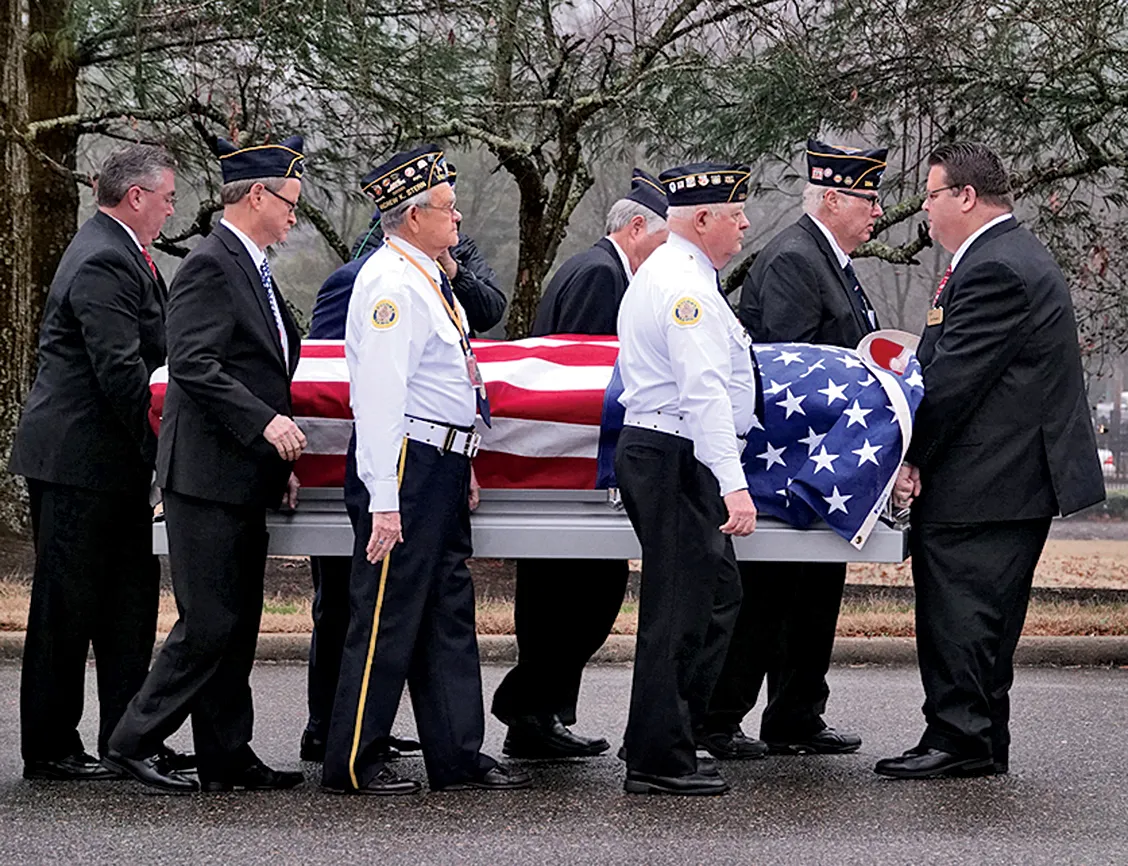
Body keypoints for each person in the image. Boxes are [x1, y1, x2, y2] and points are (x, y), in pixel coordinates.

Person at [874, 142, 1105, 780]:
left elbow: (954, 379)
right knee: (979, 610)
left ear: (966, 197)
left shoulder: (997, 267)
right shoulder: (996, 257)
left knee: (963, 609)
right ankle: (975, 736)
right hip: (999, 476)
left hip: (990, 479)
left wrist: (909, 453)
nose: (924, 210)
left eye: (930, 195)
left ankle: (961, 739)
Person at [321, 144, 530, 795]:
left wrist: (463, 452)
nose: (459, 218)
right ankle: (350, 762)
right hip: (404, 466)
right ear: (412, 216)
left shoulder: (428, 277)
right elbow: (380, 397)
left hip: (438, 459)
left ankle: (457, 755)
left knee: (446, 610)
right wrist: (385, 498)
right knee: (387, 614)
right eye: (446, 208)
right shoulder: (388, 284)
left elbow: (443, 383)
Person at [105, 135, 308, 793]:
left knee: (238, 623)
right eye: (290, 205)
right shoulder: (211, 265)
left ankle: (228, 753)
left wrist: (276, 450)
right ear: (257, 195)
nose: (293, 219)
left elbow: (262, 365)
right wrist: (266, 423)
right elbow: (192, 363)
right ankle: (133, 739)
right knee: (211, 621)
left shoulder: (252, 266)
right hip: (204, 478)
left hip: (241, 473)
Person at [699, 139, 887, 761]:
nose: (879, 212)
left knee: (811, 597)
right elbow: (788, 373)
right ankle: (720, 719)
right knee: (767, 600)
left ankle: (796, 715)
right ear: (832, 199)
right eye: (869, 198)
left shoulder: (826, 258)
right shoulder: (793, 261)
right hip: (791, 466)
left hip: (824, 468)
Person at [9, 144, 192, 781]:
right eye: (167, 197)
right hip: (78, 462)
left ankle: (127, 738)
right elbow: (121, 371)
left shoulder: (120, 252)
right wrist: (166, 449)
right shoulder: (103, 259)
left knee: (128, 605)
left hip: (108, 462)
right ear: (135, 196)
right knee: (68, 607)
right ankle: (51, 748)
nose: (172, 209)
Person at [491, 169, 668, 760]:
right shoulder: (600, 276)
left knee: (576, 597)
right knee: (576, 598)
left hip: (571, 471)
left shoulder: (600, 268)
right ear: (637, 227)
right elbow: (588, 376)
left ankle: (538, 715)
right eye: (665, 241)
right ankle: (529, 710)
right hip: (574, 471)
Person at [615, 162, 759, 796]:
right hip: (676, 453)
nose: (747, 223)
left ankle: (671, 732)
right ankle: (658, 757)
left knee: (714, 594)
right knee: (678, 609)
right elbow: (702, 393)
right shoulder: (685, 288)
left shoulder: (681, 276)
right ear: (704, 220)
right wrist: (732, 482)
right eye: (737, 214)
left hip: (674, 450)